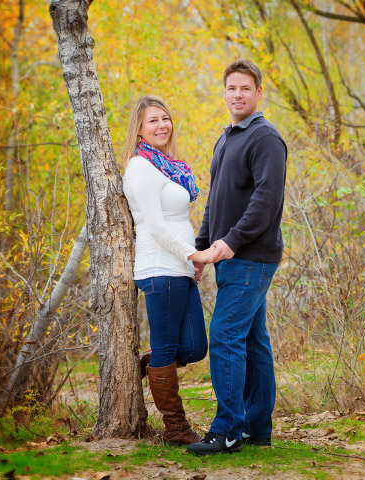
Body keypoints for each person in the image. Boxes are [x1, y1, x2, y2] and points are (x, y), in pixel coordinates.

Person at [187, 60, 287, 455]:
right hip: (230, 255)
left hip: (251, 256)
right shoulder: (227, 137)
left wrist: (230, 242)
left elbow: (266, 201)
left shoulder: (266, 138)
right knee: (251, 339)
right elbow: (216, 198)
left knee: (225, 335)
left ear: (259, 92)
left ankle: (227, 429)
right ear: (224, 92)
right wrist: (203, 245)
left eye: (246, 88)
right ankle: (257, 427)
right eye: (232, 88)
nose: (238, 95)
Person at [121, 95, 213, 445]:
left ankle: (151, 362)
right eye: (153, 121)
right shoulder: (140, 167)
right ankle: (176, 429)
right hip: (159, 267)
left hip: (180, 269)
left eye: (165, 118)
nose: (162, 125)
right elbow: (157, 225)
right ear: (140, 129)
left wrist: (190, 261)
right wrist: (194, 254)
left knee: (193, 348)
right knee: (170, 347)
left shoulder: (165, 165)